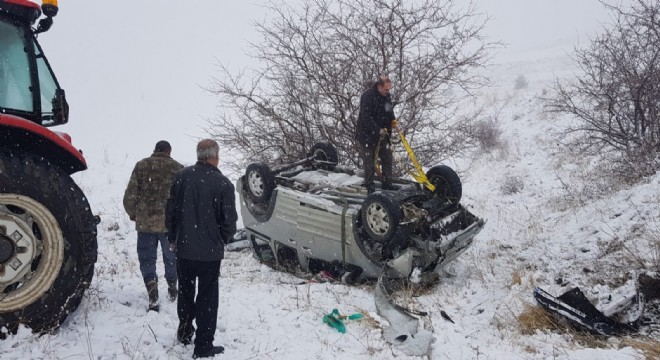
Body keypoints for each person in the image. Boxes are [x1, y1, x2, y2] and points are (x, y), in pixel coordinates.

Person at [165, 139, 238, 358]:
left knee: (186, 292)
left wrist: (173, 237)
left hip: (184, 248)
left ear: (199, 155)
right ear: (215, 156)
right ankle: (204, 345)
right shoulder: (223, 183)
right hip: (209, 253)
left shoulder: (182, 177)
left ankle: (185, 331)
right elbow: (229, 221)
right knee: (207, 297)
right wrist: (222, 239)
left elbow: (171, 212)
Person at [123, 140, 183, 312]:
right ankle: (172, 286)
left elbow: (131, 193)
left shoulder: (142, 166)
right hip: (169, 226)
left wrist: (132, 212)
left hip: (145, 224)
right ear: (169, 151)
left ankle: (152, 292)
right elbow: (182, 198)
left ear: (155, 150)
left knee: (147, 259)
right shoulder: (177, 168)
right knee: (171, 258)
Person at [355, 74, 397, 193]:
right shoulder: (367, 96)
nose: (388, 91)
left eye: (389, 89)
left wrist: (393, 121)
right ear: (379, 86)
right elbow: (366, 117)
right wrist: (377, 129)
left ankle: (387, 184)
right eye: (386, 89)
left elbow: (389, 110)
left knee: (387, 157)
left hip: (383, 134)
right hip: (367, 135)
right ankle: (369, 186)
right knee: (370, 162)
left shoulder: (386, 96)